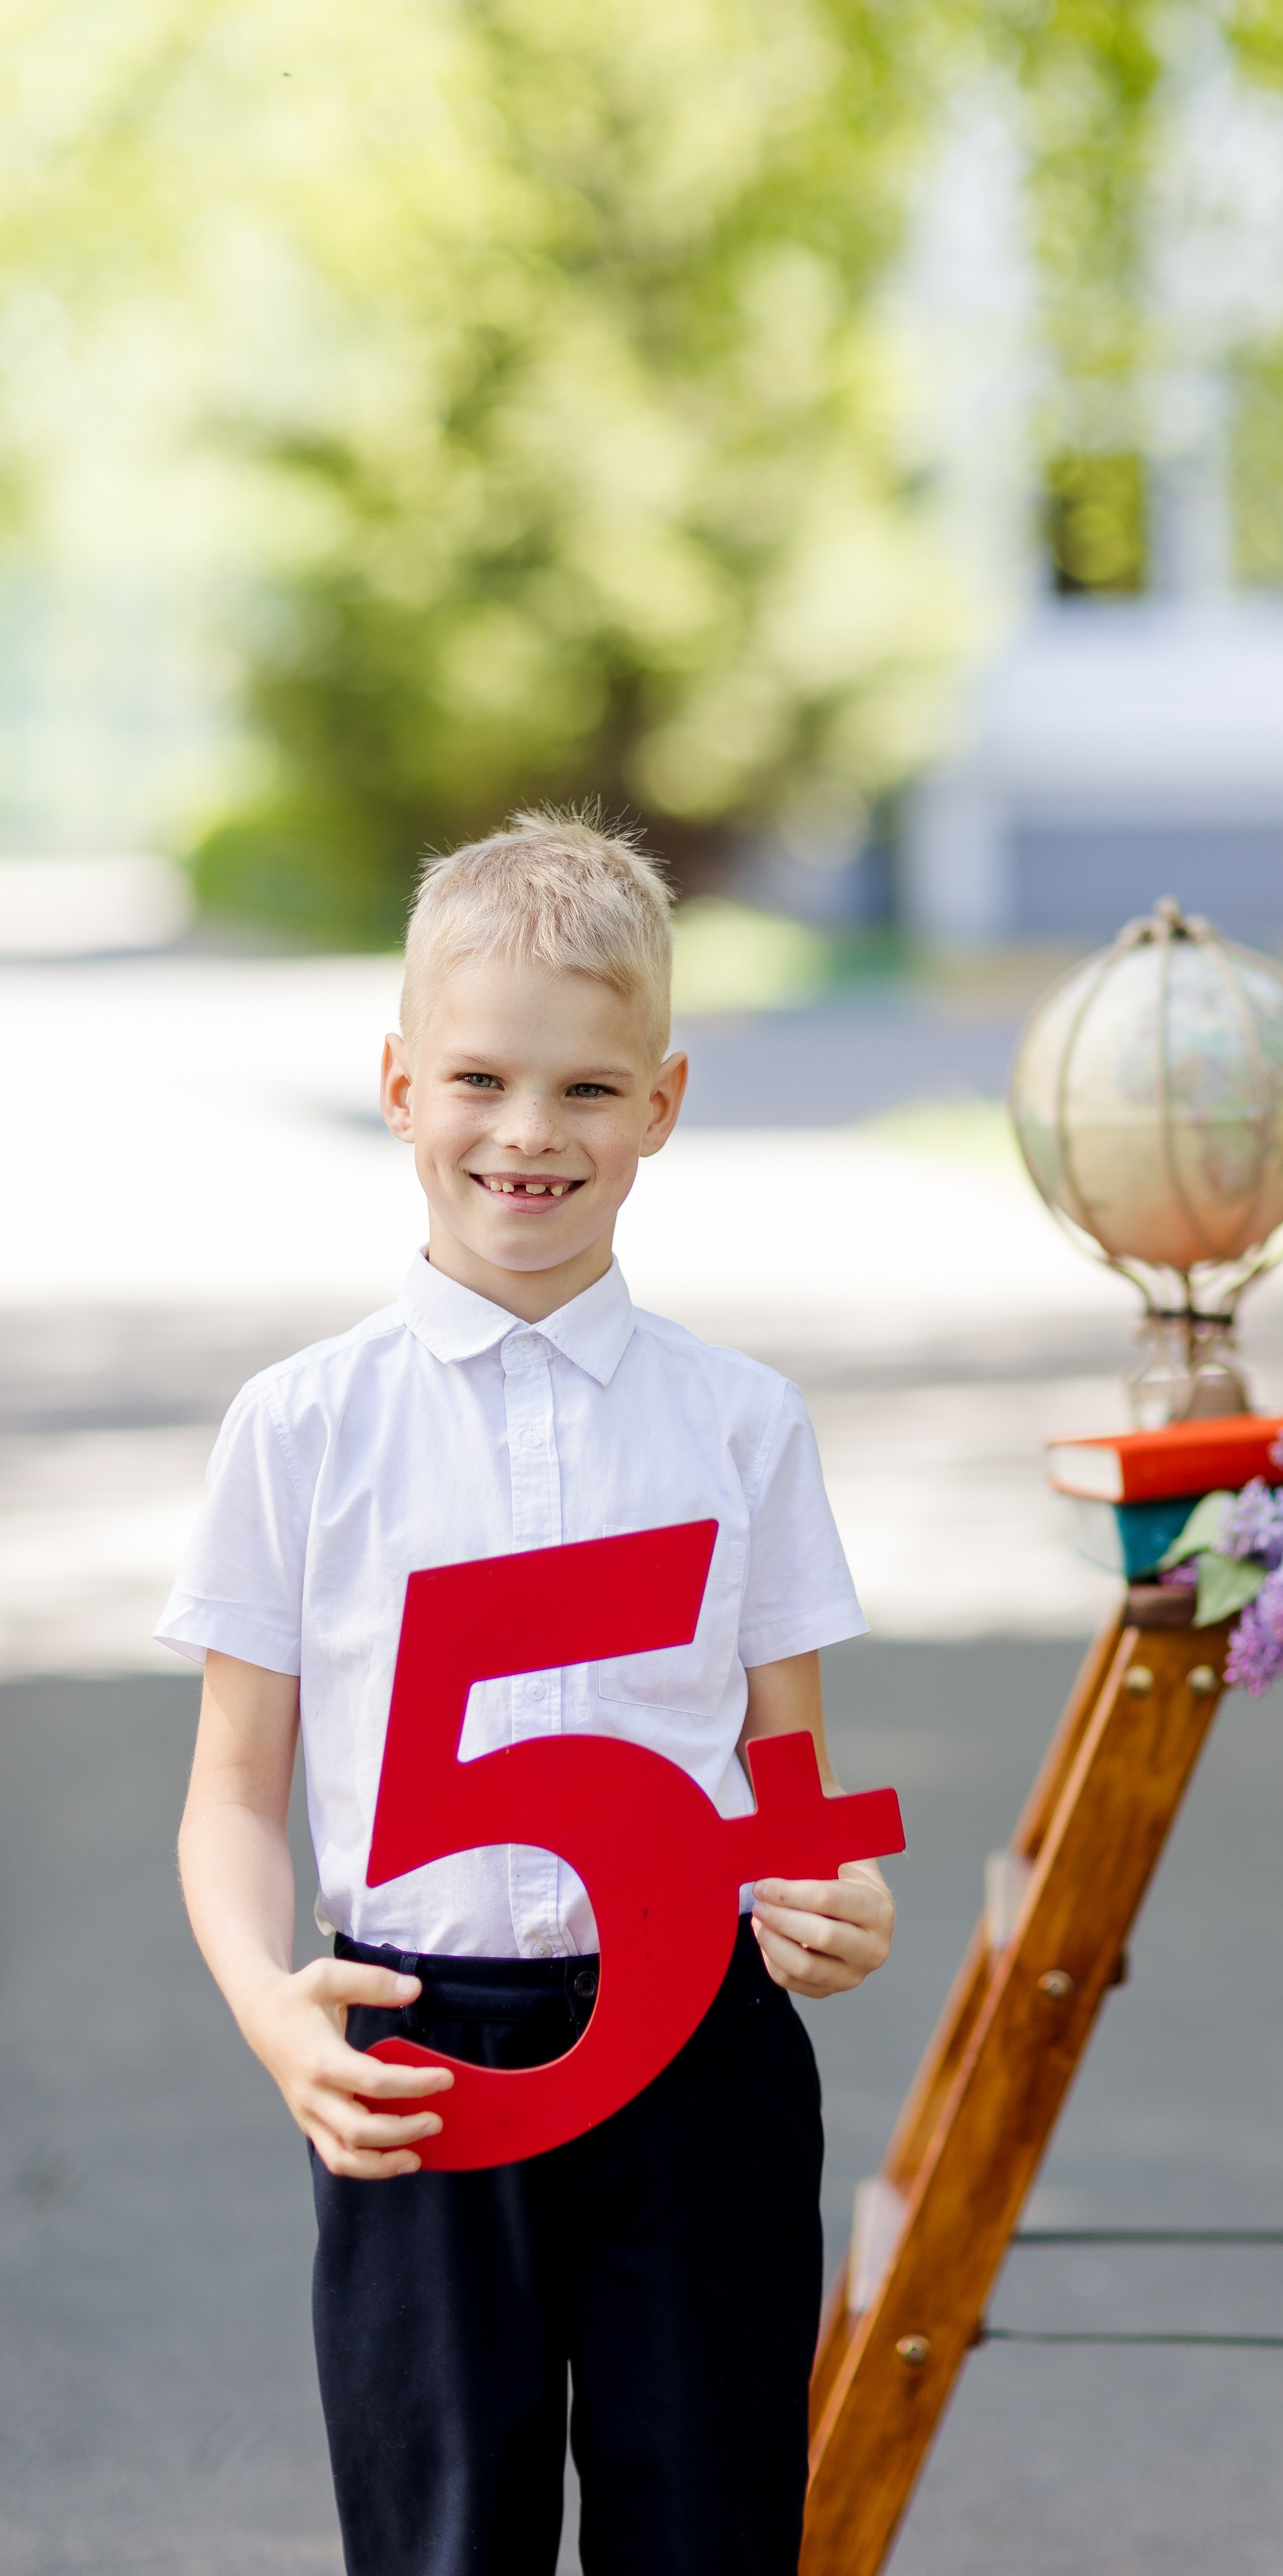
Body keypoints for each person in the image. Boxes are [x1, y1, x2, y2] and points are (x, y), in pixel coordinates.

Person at [162, 811, 894, 2576]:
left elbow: (787, 1771)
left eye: (587, 1090)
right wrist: (276, 2019)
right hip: (423, 2061)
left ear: (664, 1103)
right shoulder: (302, 1426)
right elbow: (234, 1793)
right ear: (400, 1086)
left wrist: (836, 1894)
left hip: (698, 2053)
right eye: (481, 1080)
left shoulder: (741, 1421)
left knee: (711, 2527)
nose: (528, 1133)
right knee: (443, 2538)